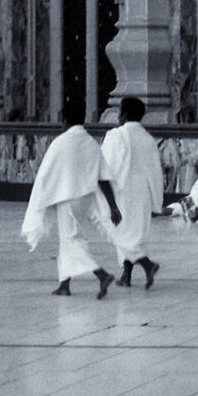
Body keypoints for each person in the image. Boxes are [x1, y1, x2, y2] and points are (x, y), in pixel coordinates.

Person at [19, 104, 123, 297]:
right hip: (84, 199)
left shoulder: (61, 142)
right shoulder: (90, 142)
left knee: (71, 239)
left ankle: (101, 275)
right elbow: (103, 176)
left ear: (64, 121)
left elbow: (45, 174)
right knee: (67, 238)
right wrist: (113, 206)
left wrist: (42, 199)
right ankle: (64, 284)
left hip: (66, 197)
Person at [102, 96, 164, 289]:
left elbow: (104, 167)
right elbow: (156, 172)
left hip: (122, 191)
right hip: (143, 192)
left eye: (120, 112)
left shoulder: (115, 136)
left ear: (124, 114)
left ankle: (146, 264)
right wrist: (156, 201)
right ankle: (128, 273)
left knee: (118, 231)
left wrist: (108, 200)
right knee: (133, 233)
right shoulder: (148, 139)